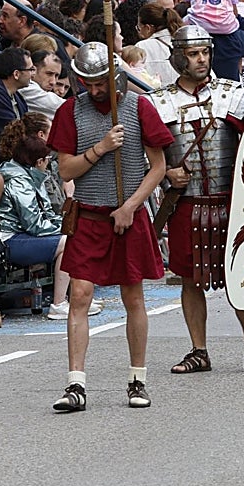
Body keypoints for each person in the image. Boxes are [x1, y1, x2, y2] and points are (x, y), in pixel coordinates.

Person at [48, 42, 173, 412]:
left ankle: (138, 380)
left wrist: (131, 206)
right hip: (88, 216)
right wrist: (101, 148)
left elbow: (158, 166)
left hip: (127, 217)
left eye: (100, 82)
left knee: (133, 297)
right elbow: (66, 169)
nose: (94, 90)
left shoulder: (138, 107)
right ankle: (75, 384)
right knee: (80, 296)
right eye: (87, 82)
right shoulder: (71, 111)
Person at [148, 25, 244, 374]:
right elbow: (146, 155)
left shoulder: (232, 96)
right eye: (193, 53)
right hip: (185, 203)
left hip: (232, 203)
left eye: (205, 52)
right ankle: (198, 350)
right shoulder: (159, 103)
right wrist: (165, 174)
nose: (202, 59)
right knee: (190, 279)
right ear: (178, 57)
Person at [0, 116, 84, 321]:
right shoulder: (19, 181)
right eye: (47, 160)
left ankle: (77, 297)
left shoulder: (31, 176)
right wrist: (63, 229)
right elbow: (34, 223)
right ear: (39, 162)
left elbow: (45, 214)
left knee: (75, 234)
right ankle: (59, 303)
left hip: (24, 234)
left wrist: (64, 223)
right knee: (67, 241)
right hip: (12, 239)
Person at [135, 3, 183, 88]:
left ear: (148, 28)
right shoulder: (183, 41)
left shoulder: (141, 47)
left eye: (139, 28)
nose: (138, 32)